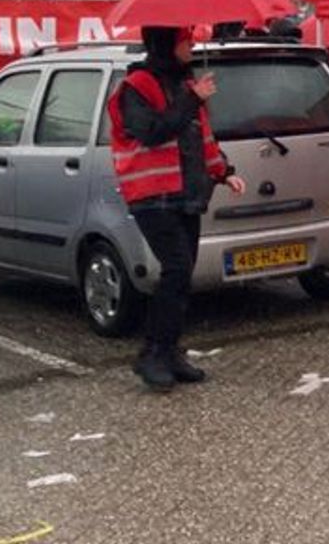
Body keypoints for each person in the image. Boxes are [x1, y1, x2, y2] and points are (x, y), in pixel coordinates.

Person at [107, 26, 247, 391]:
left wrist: (224, 171)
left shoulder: (187, 87)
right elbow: (152, 130)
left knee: (183, 276)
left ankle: (169, 351)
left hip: (187, 193)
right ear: (167, 44)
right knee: (176, 268)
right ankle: (152, 352)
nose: (192, 47)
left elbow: (201, 138)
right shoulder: (135, 87)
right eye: (186, 41)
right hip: (152, 194)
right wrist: (192, 100)